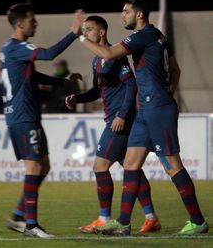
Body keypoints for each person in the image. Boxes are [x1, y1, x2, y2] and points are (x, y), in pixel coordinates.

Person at [78, 0, 209, 236]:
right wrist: (169, 89)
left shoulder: (144, 34)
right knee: (130, 163)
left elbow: (108, 54)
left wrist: (80, 36)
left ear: (139, 15)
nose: (122, 15)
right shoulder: (158, 35)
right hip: (145, 110)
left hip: (157, 110)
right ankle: (124, 223)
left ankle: (197, 221)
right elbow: (175, 68)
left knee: (172, 166)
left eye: (126, 11)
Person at [66, 15, 160, 234]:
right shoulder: (96, 60)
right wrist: (77, 98)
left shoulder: (115, 57)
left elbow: (131, 85)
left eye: (89, 29)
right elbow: (96, 91)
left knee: (99, 166)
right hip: (117, 119)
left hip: (121, 121)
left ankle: (104, 218)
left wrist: (121, 115)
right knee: (131, 167)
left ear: (101, 32)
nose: (86, 33)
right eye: (85, 30)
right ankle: (150, 217)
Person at [0, 3, 82, 238]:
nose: (36, 23)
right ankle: (31, 224)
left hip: (28, 116)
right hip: (22, 116)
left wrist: (62, 82)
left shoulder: (9, 49)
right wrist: (73, 34)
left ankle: (18, 215)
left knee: (43, 166)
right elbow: (48, 54)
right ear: (20, 24)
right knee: (34, 167)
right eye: (32, 19)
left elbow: (31, 75)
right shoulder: (19, 47)